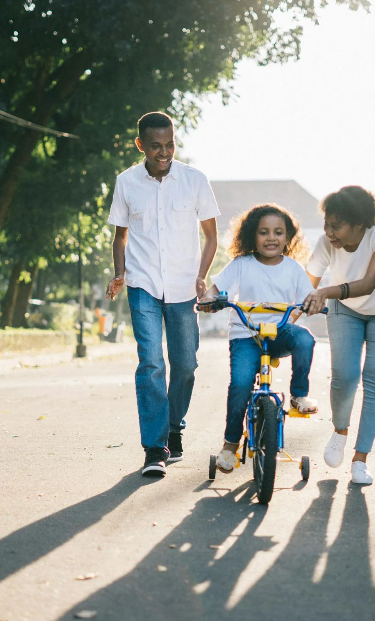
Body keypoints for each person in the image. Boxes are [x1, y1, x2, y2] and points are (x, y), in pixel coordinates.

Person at [106, 111, 220, 477]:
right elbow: (120, 236)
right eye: (156, 146)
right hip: (142, 286)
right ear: (141, 145)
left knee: (185, 365)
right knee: (152, 363)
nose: (164, 152)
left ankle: (174, 428)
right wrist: (120, 273)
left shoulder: (195, 180)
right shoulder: (126, 182)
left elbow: (211, 235)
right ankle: (155, 448)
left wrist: (202, 276)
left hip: (185, 286)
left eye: (169, 144)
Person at [200, 204, 318, 473]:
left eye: (278, 232)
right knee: (241, 384)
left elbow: (307, 298)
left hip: (279, 333)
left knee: (305, 340)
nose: (271, 238)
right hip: (246, 335)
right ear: (253, 235)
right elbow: (215, 289)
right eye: (264, 232)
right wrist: (209, 299)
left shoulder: (294, 268)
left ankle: (299, 395)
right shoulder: (241, 264)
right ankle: (230, 445)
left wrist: (311, 304)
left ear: (288, 237)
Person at [303, 186, 375, 485]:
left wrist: (325, 291)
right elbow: (304, 286)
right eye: (326, 223)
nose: (329, 231)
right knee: (345, 375)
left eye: (336, 225)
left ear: (359, 223)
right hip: (345, 309)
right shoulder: (327, 243)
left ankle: (360, 459)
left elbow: (370, 283)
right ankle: (340, 431)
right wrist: (287, 317)